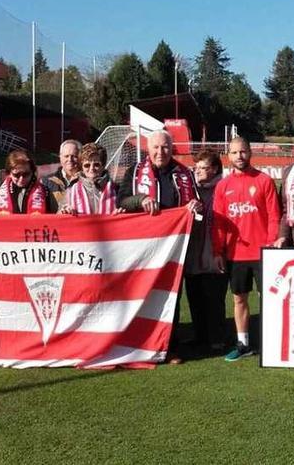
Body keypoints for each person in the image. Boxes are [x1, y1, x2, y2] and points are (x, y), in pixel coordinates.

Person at [118, 129, 202, 363]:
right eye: (155, 147)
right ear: (148, 148)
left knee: (171, 297)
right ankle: (137, 345)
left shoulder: (184, 173)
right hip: (141, 247)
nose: (160, 152)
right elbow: (121, 200)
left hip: (173, 248)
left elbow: (198, 203)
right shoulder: (135, 171)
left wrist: (196, 205)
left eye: (165, 147)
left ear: (171, 148)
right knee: (140, 294)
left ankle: (169, 346)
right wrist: (140, 199)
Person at [212, 137, 281, 361]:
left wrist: (271, 244)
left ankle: (270, 341)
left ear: (250, 152)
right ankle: (243, 344)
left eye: (243, 152)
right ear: (228, 156)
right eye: (234, 153)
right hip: (235, 254)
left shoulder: (264, 181)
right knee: (239, 299)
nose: (239, 156)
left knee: (267, 298)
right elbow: (219, 223)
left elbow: (274, 217)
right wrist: (217, 251)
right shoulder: (223, 186)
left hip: (263, 253)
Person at [183, 149, 229, 353]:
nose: (199, 172)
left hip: (215, 250)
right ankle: (199, 335)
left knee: (214, 297)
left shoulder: (224, 188)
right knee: (194, 295)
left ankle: (217, 338)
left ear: (215, 169)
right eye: (197, 167)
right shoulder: (190, 189)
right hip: (193, 250)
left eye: (204, 168)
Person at [0, 149, 57, 215]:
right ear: (9, 173)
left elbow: (59, 217)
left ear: (32, 172)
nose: (21, 178)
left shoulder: (46, 192)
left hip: (36, 229)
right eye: (16, 175)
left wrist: (64, 211)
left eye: (26, 174)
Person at [62, 143, 124, 215]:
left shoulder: (116, 189)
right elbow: (58, 217)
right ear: (82, 167)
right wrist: (65, 211)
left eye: (96, 164)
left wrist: (119, 214)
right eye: (87, 165)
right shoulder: (72, 190)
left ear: (103, 165)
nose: (92, 169)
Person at [42, 139, 81, 208]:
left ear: (80, 157)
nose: (70, 160)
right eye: (66, 156)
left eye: (74, 156)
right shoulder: (47, 181)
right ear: (60, 157)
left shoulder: (87, 181)